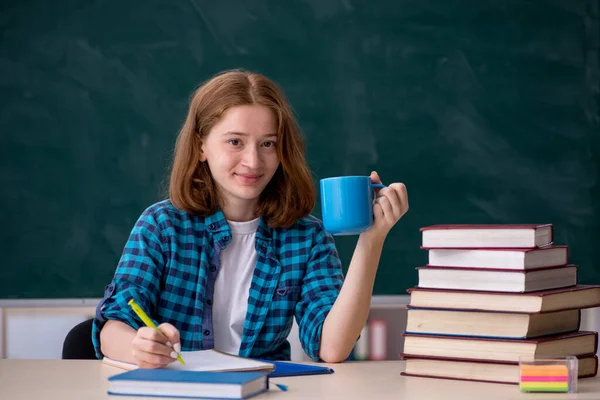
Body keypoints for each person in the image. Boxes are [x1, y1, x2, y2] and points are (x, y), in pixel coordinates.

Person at [92, 69, 408, 368]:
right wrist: (139, 346)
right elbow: (112, 328)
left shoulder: (307, 237)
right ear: (201, 146)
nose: (253, 161)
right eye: (235, 142)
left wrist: (372, 240)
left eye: (267, 144)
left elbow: (331, 347)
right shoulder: (160, 226)